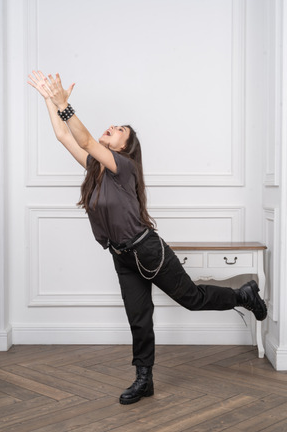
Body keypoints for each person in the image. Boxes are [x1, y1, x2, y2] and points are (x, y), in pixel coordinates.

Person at [27, 71, 267, 405]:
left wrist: (67, 106)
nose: (112, 126)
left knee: (193, 299)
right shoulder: (95, 170)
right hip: (121, 255)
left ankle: (242, 296)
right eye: (113, 125)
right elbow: (64, 137)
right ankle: (144, 379)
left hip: (148, 250)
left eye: (119, 130)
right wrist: (50, 101)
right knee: (138, 317)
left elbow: (82, 139)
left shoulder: (123, 166)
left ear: (124, 146)